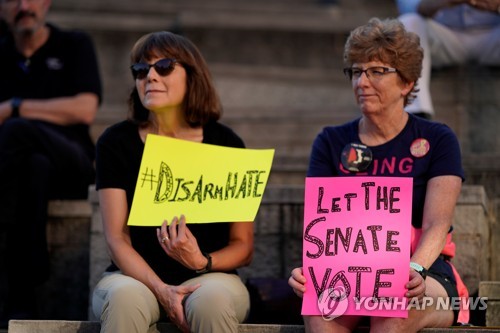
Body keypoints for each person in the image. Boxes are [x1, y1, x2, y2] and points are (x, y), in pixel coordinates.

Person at [288, 17, 469, 331]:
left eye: (377, 71)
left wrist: (415, 268)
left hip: (425, 273)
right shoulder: (331, 142)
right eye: (356, 71)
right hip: (347, 275)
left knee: (392, 308)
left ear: (407, 82)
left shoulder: (438, 139)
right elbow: (321, 228)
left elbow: (437, 223)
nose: (362, 82)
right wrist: (310, 272)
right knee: (319, 310)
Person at [91, 31, 253, 333]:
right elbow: (117, 238)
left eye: (163, 66)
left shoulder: (226, 143)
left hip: (211, 277)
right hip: (135, 278)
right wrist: (162, 290)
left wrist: (201, 261)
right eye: (140, 70)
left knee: (211, 301)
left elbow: (243, 247)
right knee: (125, 299)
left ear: (192, 75)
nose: (149, 76)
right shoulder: (116, 142)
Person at [0, 0, 102, 325]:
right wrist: (47, 110)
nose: (23, 5)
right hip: (26, 172)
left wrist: (15, 107)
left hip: (73, 161)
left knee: (17, 131)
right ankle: (22, 298)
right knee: (34, 166)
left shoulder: (74, 44)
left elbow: (84, 109)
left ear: (47, 3)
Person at [396, 0, 500, 119]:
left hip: (494, 36)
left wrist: (497, 5)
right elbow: (407, 8)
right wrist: (441, 2)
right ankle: (416, 114)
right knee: (409, 23)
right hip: (443, 36)